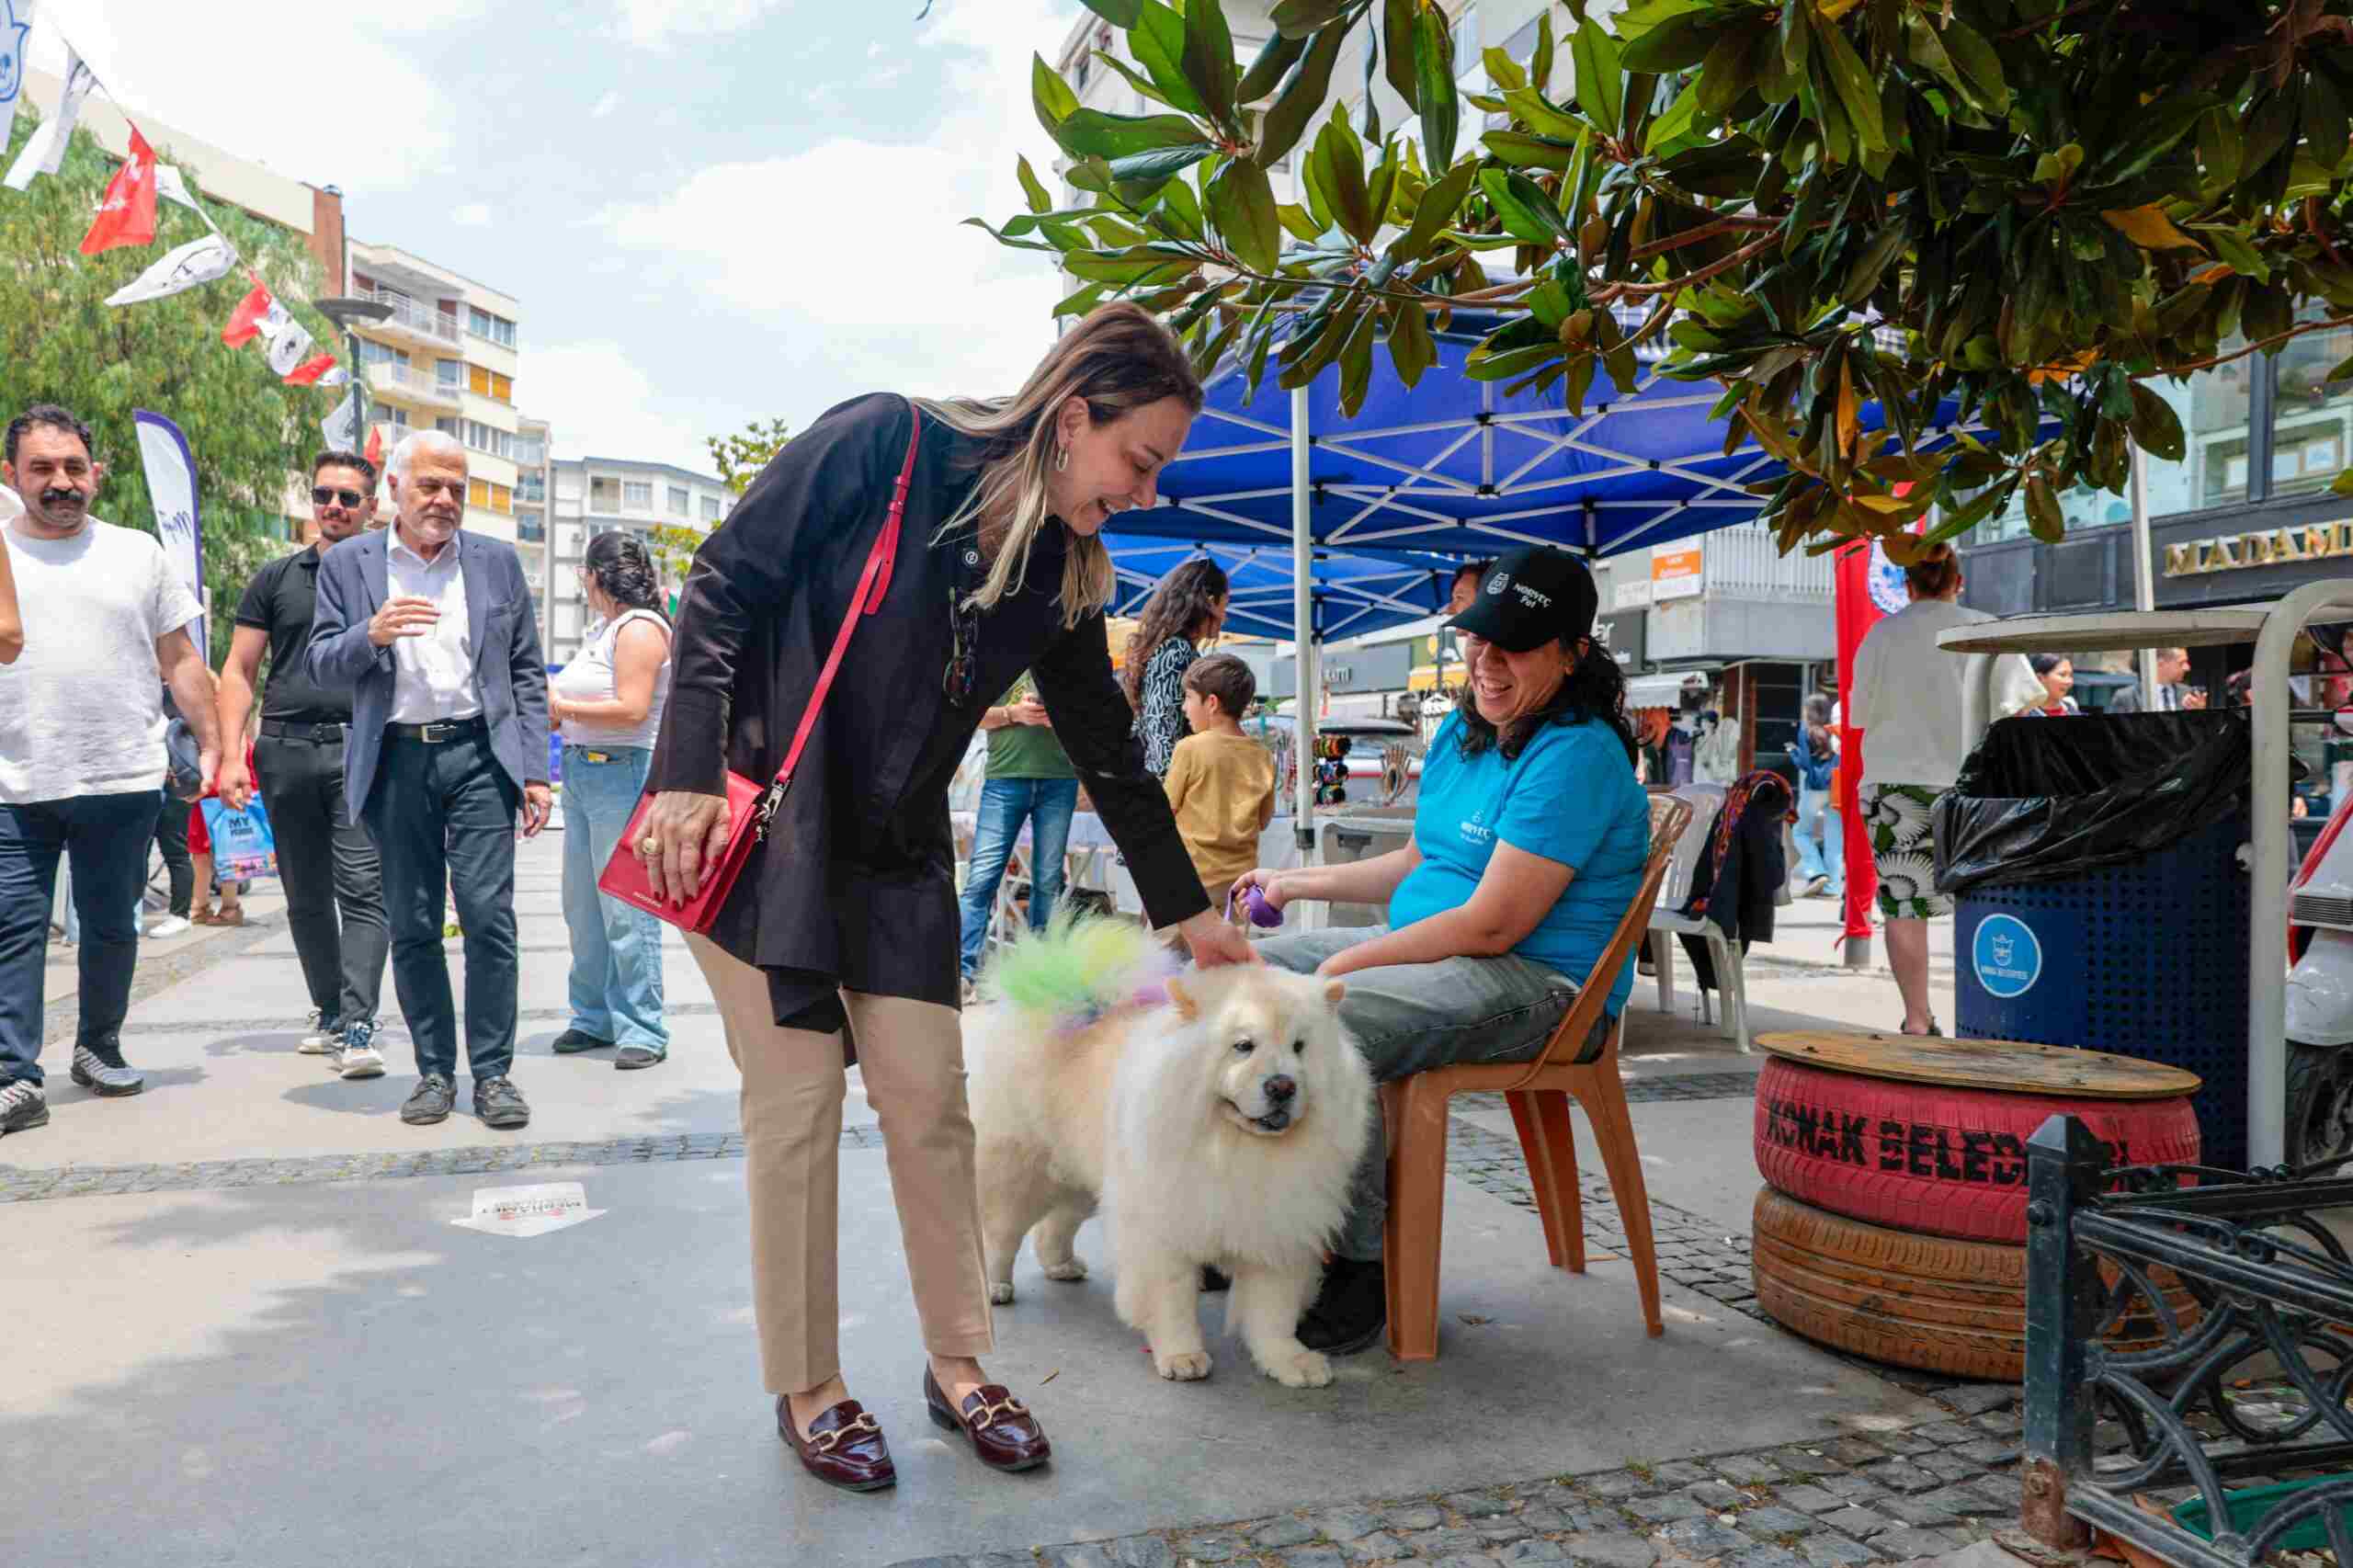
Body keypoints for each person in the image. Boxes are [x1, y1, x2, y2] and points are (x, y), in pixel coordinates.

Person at [627, 302, 1253, 1494]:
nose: (1148, 489)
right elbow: (722, 583)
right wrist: (688, 770)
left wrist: (1189, 913)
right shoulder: (884, 445)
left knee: (934, 1108)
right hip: (773, 839)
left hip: (902, 856)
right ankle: (808, 1386)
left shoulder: (1065, 570)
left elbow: (1110, 747)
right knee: (798, 1110)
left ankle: (959, 1364)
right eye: (1143, 459)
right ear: (1075, 418)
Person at [1231, 546, 1653, 1356]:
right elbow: (1427, 860)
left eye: (1514, 646)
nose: (1487, 664)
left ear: (1573, 652)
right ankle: (1256, 1225)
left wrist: (1344, 967)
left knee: (1331, 1031)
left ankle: (1358, 1267)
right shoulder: (1470, 727)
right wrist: (1294, 884)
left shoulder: (1578, 753)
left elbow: (1494, 925)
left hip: (1543, 984)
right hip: (1434, 951)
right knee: (1233, 980)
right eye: (1476, 639)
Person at [301, 429, 551, 1131]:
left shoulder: (496, 563)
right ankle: (435, 1073)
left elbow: (526, 671)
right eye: (430, 487)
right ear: (394, 492)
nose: (444, 501)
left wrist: (533, 771)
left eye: (456, 490)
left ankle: (494, 1073)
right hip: (396, 762)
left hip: (479, 758)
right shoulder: (350, 564)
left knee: (488, 918)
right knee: (412, 924)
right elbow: (318, 665)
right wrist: (370, 635)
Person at [0, 403, 218, 1133]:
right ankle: (14, 1077)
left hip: (121, 776)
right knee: (14, 929)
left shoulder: (137, 553)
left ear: (95, 474)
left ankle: (97, 1047)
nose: (60, 483)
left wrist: (214, 744)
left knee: (111, 927)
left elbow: (181, 661)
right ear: (11, 476)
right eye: (41, 469)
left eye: (72, 468)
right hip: (13, 780)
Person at [214, 450, 392, 1078]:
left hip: (362, 747)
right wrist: (230, 753)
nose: (335, 507)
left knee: (365, 888)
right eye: (324, 496)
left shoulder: (390, 577)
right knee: (306, 895)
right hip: (284, 748)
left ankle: (360, 1022)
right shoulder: (276, 578)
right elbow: (238, 670)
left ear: (373, 507)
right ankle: (329, 1008)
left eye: (349, 497)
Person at [1847, 544, 2045, 1038]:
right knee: (1984, 900)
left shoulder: (1881, 634)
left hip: (1894, 784)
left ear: (1908, 584)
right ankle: (1985, 1014)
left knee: (1905, 907)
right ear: (1958, 581)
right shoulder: (1983, 629)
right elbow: (2020, 708)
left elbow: (1861, 714)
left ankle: (1918, 1019)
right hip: (1972, 786)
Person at [548, 531, 674, 1069]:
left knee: (625, 907)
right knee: (583, 907)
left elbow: (632, 709)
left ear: (596, 575)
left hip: (621, 773)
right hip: (583, 774)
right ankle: (593, 1016)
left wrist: (563, 705)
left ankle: (643, 1026)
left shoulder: (641, 628)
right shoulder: (606, 629)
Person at [956, 671, 1077, 999]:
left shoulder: (1065, 658)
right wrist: (1014, 713)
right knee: (982, 877)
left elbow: (1092, 714)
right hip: (1005, 780)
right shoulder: (1001, 655)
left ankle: (1037, 976)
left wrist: (1065, 716)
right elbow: (970, 713)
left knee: (1049, 881)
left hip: (1060, 780)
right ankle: (962, 973)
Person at [1162, 652, 1276, 921]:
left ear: (1211, 703)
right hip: (1239, 886)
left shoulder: (1189, 748)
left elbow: (1166, 811)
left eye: (1188, 698)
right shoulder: (1263, 755)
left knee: (1164, 957)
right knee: (1228, 960)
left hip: (1189, 879)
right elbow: (1263, 820)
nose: (1183, 708)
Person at [1122, 557, 1229, 777]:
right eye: (1224, 604)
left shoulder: (1176, 649)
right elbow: (1162, 731)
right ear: (1208, 601)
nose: (1225, 616)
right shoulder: (1176, 652)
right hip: (1166, 793)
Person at [1787, 693, 1844, 899]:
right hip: (1837, 786)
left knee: (1800, 832)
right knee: (1834, 839)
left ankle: (1816, 871)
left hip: (1814, 788)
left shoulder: (1806, 731)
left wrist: (1792, 752)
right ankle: (1834, 888)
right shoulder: (1835, 730)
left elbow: (1804, 763)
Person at [2109, 647, 2206, 713]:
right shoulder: (2126, 697)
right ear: (2161, 663)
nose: (2187, 668)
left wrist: (2199, 714)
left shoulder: (2189, 695)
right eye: (2181, 663)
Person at [2023, 653, 2079, 717]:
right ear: (2040, 678)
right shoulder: (2022, 713)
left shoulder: (2071, 709)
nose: (2069, 681)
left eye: (2070, 675)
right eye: (2062, 675)